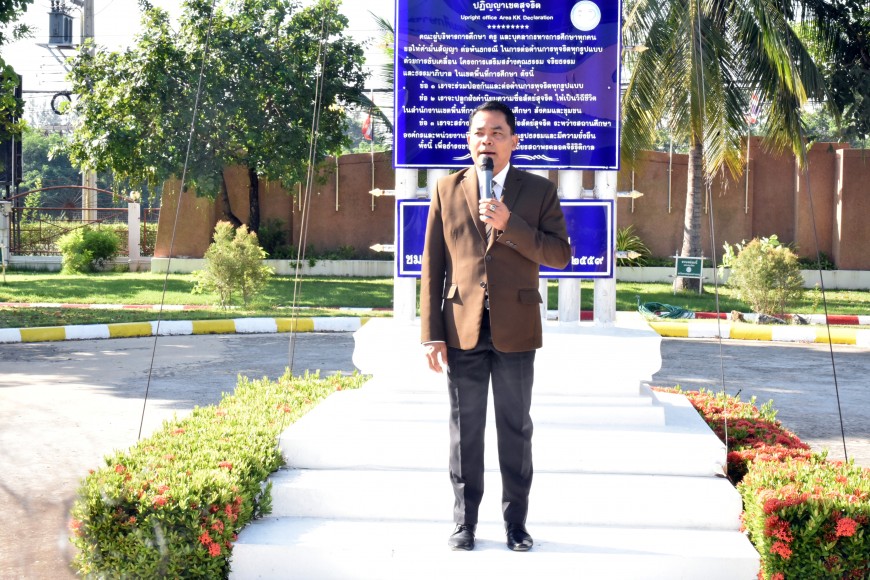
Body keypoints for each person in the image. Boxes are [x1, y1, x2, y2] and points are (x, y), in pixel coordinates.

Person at [420, 100, 571, 552]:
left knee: (515, 430)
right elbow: (433, 266)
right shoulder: (447, 189)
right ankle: (464, 523)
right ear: (470, 140)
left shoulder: (538, 191)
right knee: (464, 431)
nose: (487, 141)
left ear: (513, 141)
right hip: (461, 328)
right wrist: (431, 334)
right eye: (479, 133)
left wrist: (511, 224)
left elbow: (560, 254)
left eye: (497, 133)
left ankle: (515, 525)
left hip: (516, 328)